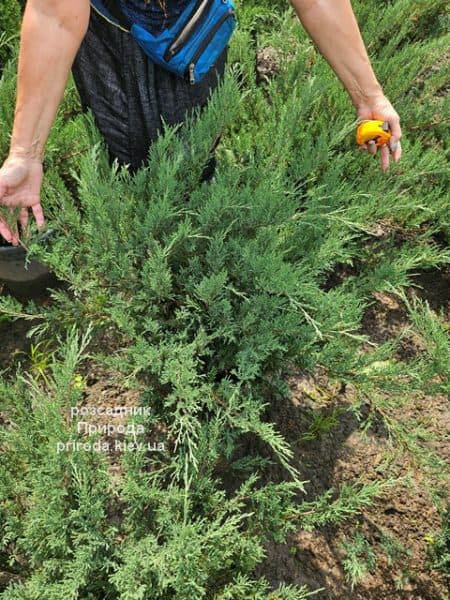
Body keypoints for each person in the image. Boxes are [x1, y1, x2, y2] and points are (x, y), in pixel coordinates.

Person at [0, 0, 402, 246]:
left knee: (196, 145)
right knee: (128, 146)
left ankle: (193, 232)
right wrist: (26, 152)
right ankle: (144, 232)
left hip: (194, 18)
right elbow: (55, 13)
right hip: (112, 24)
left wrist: (368, 95)